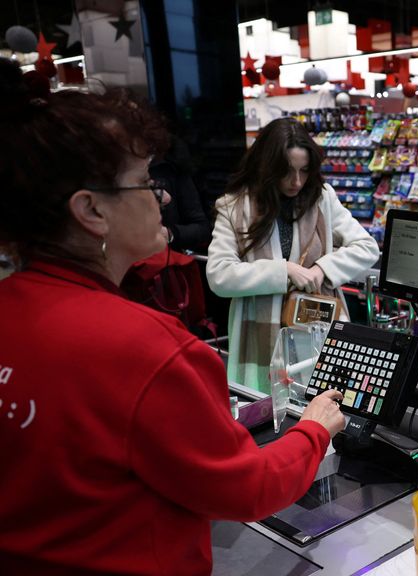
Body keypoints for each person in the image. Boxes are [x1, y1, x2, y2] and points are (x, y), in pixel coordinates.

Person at [0, 60, 348, 573]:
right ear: (91, 210)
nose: (161, 196)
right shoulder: (149, 351)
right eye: (144, 182)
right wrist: (315, 429)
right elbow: (247, 487)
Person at [207, 117, 380, 394]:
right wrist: (282, 270)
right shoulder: (235, 207)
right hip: (259, 337)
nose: (297, 182)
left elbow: (366, 246)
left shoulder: (322, 198)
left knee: (324, 408)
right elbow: (219, 275)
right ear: (267, 166)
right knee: (266, 412)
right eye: (287, 171)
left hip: (318, 326)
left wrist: (323, 268)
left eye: (304, 170)